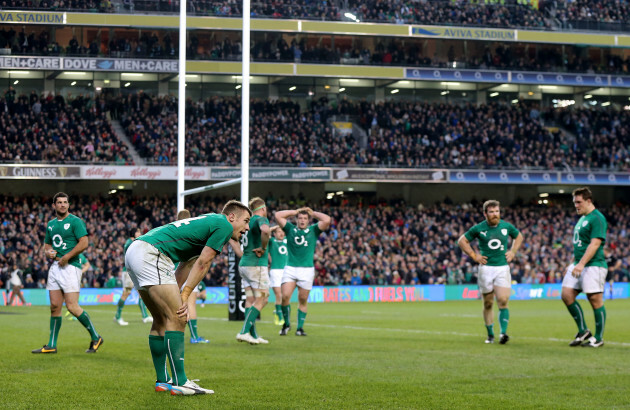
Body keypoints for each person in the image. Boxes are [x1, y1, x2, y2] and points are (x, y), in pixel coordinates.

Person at [125, 200, 251, 395]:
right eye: (246, 221)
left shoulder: (204, 225)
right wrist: (184, 295)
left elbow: (185, 265)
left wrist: (178, 292)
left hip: (136, 250)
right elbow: (204, 262)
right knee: (178, 317)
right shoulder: (224, 225)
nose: (247, 227)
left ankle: (163, 380)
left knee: (160, 319)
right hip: (152, 253)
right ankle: (181, 382)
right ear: (232, 217)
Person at [32, 192, 103, 354]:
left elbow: (84, 243)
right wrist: (49, 252)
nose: (62, 205)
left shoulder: (75, 221)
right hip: (56, 267)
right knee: (55, 306)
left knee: (71, 306)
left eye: (65, 202)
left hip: (71, 267)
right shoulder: (50, 224)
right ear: (54, 205)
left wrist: (67, 257)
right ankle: (51, 345)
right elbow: (47, 246)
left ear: (68, 205)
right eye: (59, 202)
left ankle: (95, 336)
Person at [457, 200, 523, 345]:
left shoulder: (506, 226)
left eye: (497, 211)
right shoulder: (479, 228)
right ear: (485, 213)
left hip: (502, 268)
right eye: (492, 212)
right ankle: (490, 334)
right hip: (486, 269)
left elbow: (519, 236)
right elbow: (462, 241)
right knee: (488, 303)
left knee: (503, 300)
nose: (495, 214)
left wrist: (512, 252)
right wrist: (474, 256)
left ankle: (503, 333)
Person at [561, 187, 608, 348]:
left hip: (594, 265)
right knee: (567, 294)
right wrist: (574, 263)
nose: (576, 205)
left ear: (589, 201)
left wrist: (581, 263)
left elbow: (595, 243)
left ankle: (598, 338)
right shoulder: (583, 218)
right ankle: (583, 331)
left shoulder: (597, 218)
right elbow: (581, 244)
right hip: (578, 263)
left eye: (579, 202)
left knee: (594, 299)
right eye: (574, 202)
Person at [275, 207, 331, 336]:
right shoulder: (289, 229)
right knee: (285, 296)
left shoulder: (313, 230)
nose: (302, 220)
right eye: (300, 218)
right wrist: (295, 211)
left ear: (308, 220)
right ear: (296, 220)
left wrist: (313, 213)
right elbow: (278, 215)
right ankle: (286, 324)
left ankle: (300, 328)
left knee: (303, 299)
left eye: (305, 218)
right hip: (291, 268)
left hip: (307, 270)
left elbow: (327, 219)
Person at [236, 197, 271, 345]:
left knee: (250, 300)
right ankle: (243, 332)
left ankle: (253, 335)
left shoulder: (247, 222)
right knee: (263, 298)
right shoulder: (260, 219)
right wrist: (263, 248)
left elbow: (233, 239)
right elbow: (265, 230)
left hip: (244, 264)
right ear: (263, 208)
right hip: (256, 265)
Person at [175, 209, 209, 345]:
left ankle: (170, 333)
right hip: (188, 272)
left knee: (174, 306)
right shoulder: (194, 233)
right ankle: (194, 336)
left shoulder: (173, 231)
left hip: (174, 273)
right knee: (190, 305)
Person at [114, 228, 152, 326]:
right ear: (133, 234)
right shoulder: (130, 243)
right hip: (128, 271)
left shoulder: (133, 242)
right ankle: (118, 316)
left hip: (134, 270)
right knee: (126, 293)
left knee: (141, 292)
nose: (140, 233)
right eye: (138, 232)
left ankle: (145, 316)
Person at [268, 225, 288, 326]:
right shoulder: (271, 241)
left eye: (282, 231)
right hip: (276, 271)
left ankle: (277, 311)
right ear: (274, 234)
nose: (281, 233)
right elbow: (266, 233)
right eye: (279, 232)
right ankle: (280, 317)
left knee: (285, 296)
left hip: (287, 271)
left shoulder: (286, 240)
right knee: (278, 295)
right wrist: (274, 227)